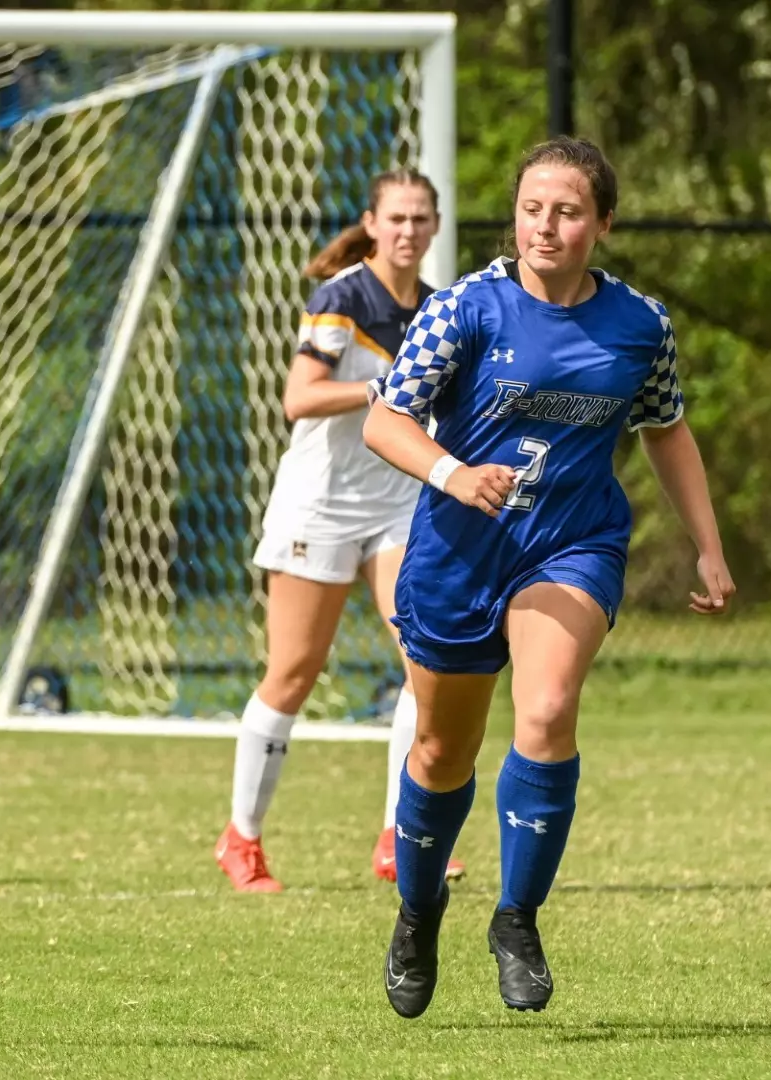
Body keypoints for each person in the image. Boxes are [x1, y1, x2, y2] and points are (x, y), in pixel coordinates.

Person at [363, 137, 733, 1017]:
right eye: (532, 208)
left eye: (567, 211)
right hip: (458, 552)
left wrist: (709, 545)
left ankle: (517, 917)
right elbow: (387, 421)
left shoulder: (641, 325)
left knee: (546, 709)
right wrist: (454, 473)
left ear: (602, 223)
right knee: (443, 752)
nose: (546, 226)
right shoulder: (464, 310)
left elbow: (666, 428)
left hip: (571, 544)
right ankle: (419, 913)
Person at [216, 169, 464, 893]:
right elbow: (300, 397)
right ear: (373, 223)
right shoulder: (343, 297)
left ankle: (399, 836)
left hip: (395, 502)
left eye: (421, 218)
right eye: (397, 218)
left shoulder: (440, 308)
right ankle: (242, 838)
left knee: (427, 660)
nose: (408, 230)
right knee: (294, 672)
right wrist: (380, 390)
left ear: (435, 227)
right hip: (319, 505)